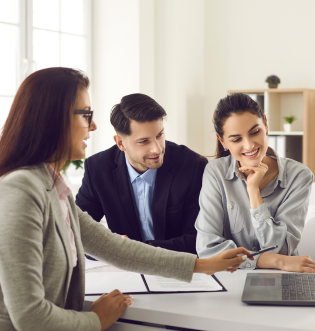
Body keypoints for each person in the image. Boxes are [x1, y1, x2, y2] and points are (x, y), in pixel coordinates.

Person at [0, 68, 252, 331]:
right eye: (86, 115)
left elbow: (114, 248)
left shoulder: (51, 187)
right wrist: (95, 321)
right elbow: (30, 317)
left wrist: (202, 265)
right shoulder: (21, 189)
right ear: (53, 120)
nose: (93, 125)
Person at [195, 92, 315, 272]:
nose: (250, 145)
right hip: (231, 279)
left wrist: (253, 191)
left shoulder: (299, 176)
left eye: (255, 132)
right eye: (236, 139)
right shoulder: (215, 172)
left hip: (282, 277)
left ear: (265, 124)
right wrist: (275, 261)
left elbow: (281, 249)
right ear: (223, 141)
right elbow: (208, 251)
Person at [76, 93, 208, 254]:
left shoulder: (192, 165)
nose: (157, 148)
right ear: (120, 143)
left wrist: (134, 251)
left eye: (159, 135)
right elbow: (77, 234)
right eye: (144, 141)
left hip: (179, 269)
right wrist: (112, 247)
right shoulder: (97, 169)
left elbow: (199, 239)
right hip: (124, 272)